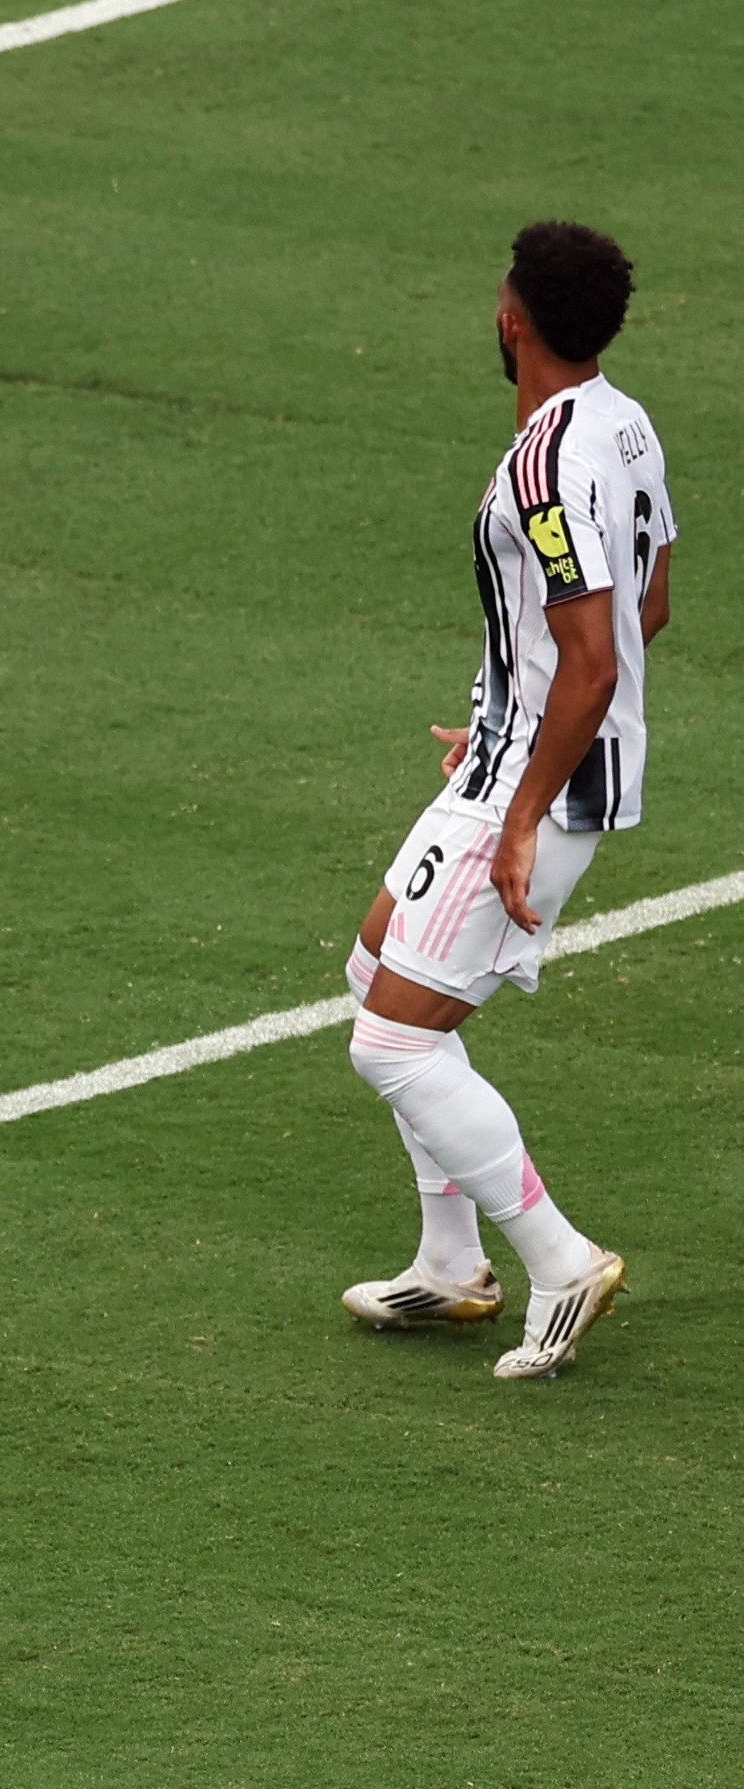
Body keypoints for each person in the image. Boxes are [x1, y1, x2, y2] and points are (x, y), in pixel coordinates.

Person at [337, 220, 677, 1380]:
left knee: (394, 1040)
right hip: (519, 755)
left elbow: (595, 660)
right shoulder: (624, 425)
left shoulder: (544, 470)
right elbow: (647, 605)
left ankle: (561, 1258)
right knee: (374, 968)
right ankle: (450, 1263)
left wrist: (526, 802)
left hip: (538, 788)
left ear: (511, 319)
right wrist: (507, 711)